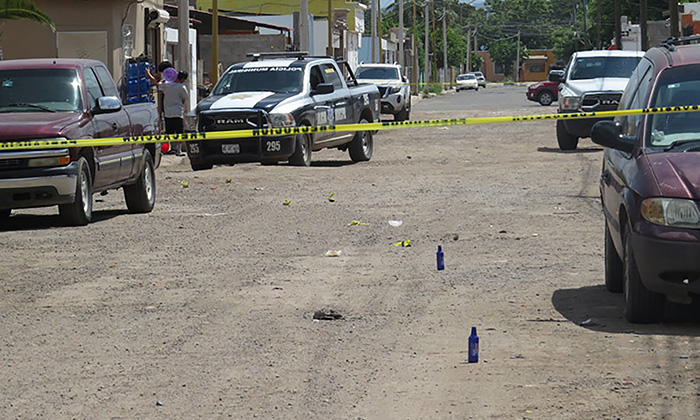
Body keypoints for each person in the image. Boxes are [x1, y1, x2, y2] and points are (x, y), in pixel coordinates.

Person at [159, 70, 189, 156]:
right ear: (183, 79)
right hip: (178, 112)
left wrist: (163, 79)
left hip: (168, 113)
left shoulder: (167, 85)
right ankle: (178, 150)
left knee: (169, 132)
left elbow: (158, 85)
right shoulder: (182, 87)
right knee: (179, 132)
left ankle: (171, 148)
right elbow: (184, 98)